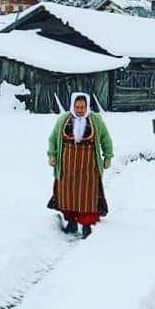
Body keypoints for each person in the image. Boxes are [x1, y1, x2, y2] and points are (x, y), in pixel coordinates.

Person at [47, 92, 113, 238]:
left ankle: (86, 225)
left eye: (82, 107)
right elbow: (52, 139)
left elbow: (106, 139)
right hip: (67, 165)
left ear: (87, 106)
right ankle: (71, 223)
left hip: (88, 166)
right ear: (72, 106)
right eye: (77, 107)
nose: (80, 110)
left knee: (86, 196)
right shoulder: (63, 119)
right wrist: (52, 155)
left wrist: (108, 157)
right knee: (68, 194)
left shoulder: (96, 120)